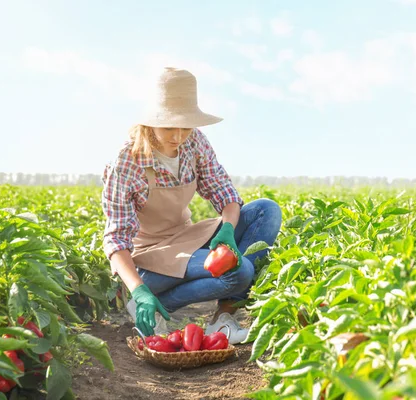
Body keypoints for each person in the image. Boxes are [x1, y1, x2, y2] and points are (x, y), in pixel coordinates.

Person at [101, 67, 282, 344]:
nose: (178, 136)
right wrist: (138, 289)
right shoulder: (127, 161)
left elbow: (226, 194)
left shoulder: (194, 142)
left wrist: (227, 230)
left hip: (186, 238)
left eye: (185, 126)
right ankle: (150, 301)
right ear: (150, 122)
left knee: (265, 210)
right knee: (241, 270)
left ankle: (224, 317)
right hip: (150, 258)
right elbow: (116, 240)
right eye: (169, 126)